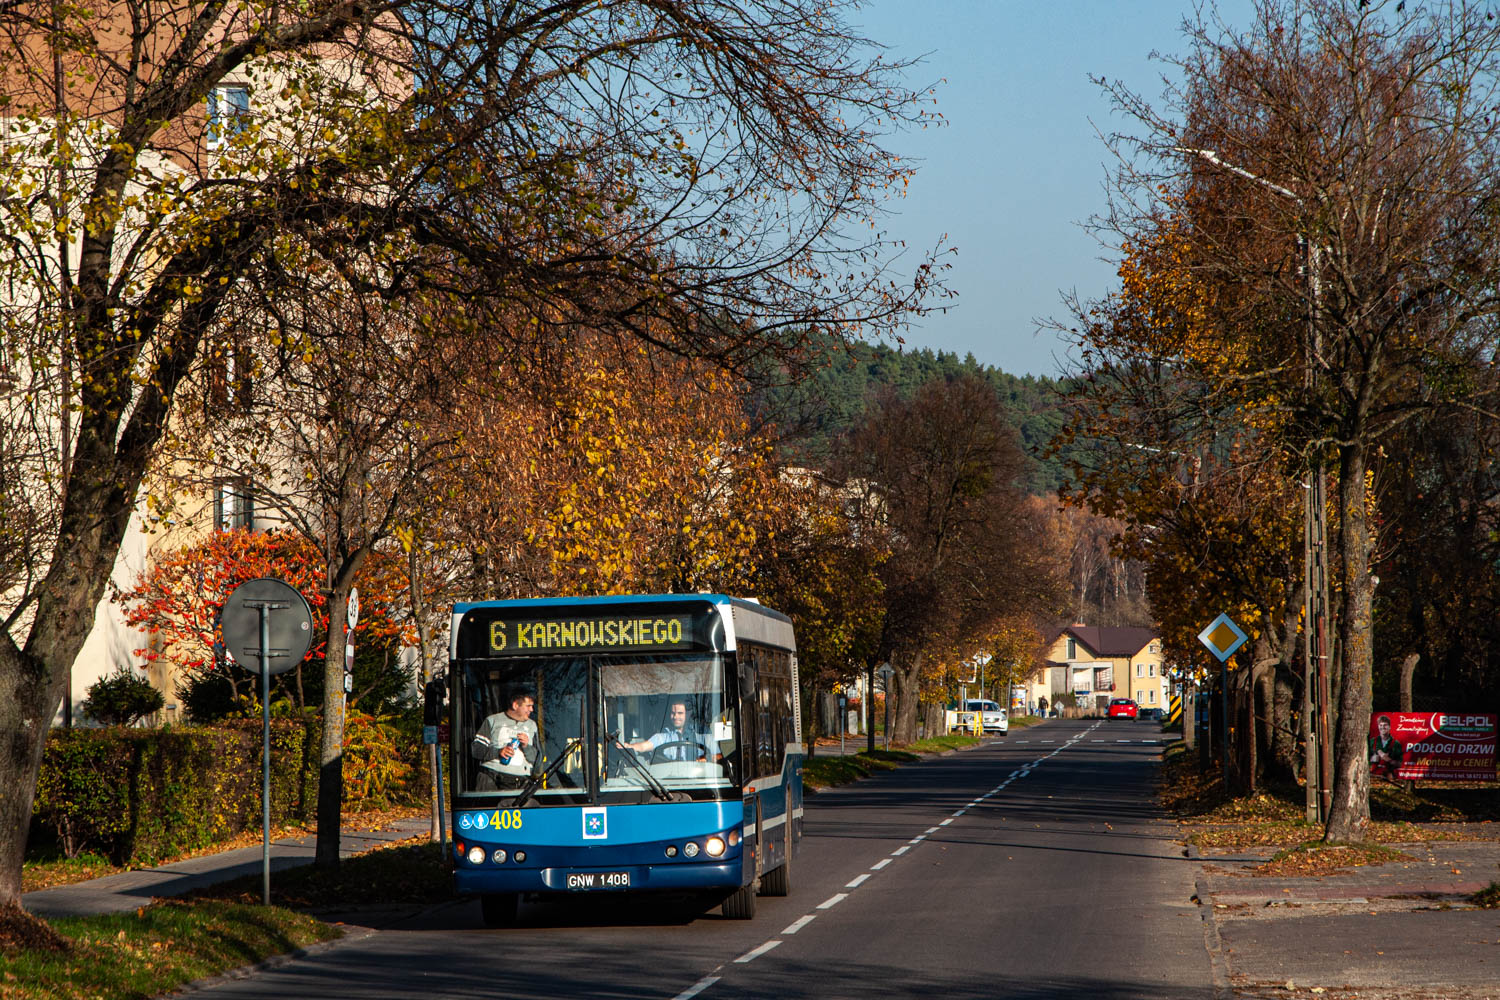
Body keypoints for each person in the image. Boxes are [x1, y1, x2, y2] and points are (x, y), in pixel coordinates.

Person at [472, 689, 538, 790]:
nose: (532, 710)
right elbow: (476, 751)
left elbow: (538, 760)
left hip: (520, 784)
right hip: (491, 778)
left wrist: (526, 746)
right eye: (528, 706)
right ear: (516, 705)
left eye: (532, 706)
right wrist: (499, 752)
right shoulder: (492, 721)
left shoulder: (532, 726)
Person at [620, 699, 712, 761]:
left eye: (680, 713)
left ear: (688, 714)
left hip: (697, 783)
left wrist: (706, 758)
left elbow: (719, 756)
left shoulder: (702, 734)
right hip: (667, 783)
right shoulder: (663, 737)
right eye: (673, 713)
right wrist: (627, 746)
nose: (675, 717)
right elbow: (644, 746)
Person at [1368, 713, 1404, 778]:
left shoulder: (1396, 743)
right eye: (1380, 725)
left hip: (1388, 776)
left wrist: (1388, 759)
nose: (1382, 727)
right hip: (1373, 775)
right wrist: (1372, 758)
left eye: (1385, 725)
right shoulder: (1372, 741)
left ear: (1389, 727)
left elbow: (1400, 764)